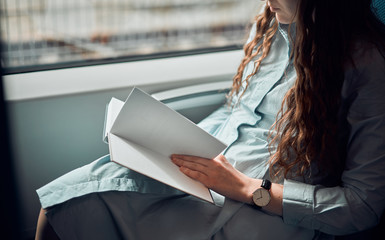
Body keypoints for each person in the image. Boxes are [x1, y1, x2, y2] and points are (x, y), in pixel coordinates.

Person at [35, 0, 385, 239]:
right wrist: (169, 138)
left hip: (264, 205)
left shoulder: (366, 64)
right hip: (211, 170)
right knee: (64, 201)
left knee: (71, 213)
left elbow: (363, 205)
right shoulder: (270, 28)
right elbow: (238, 114)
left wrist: (248, 189)